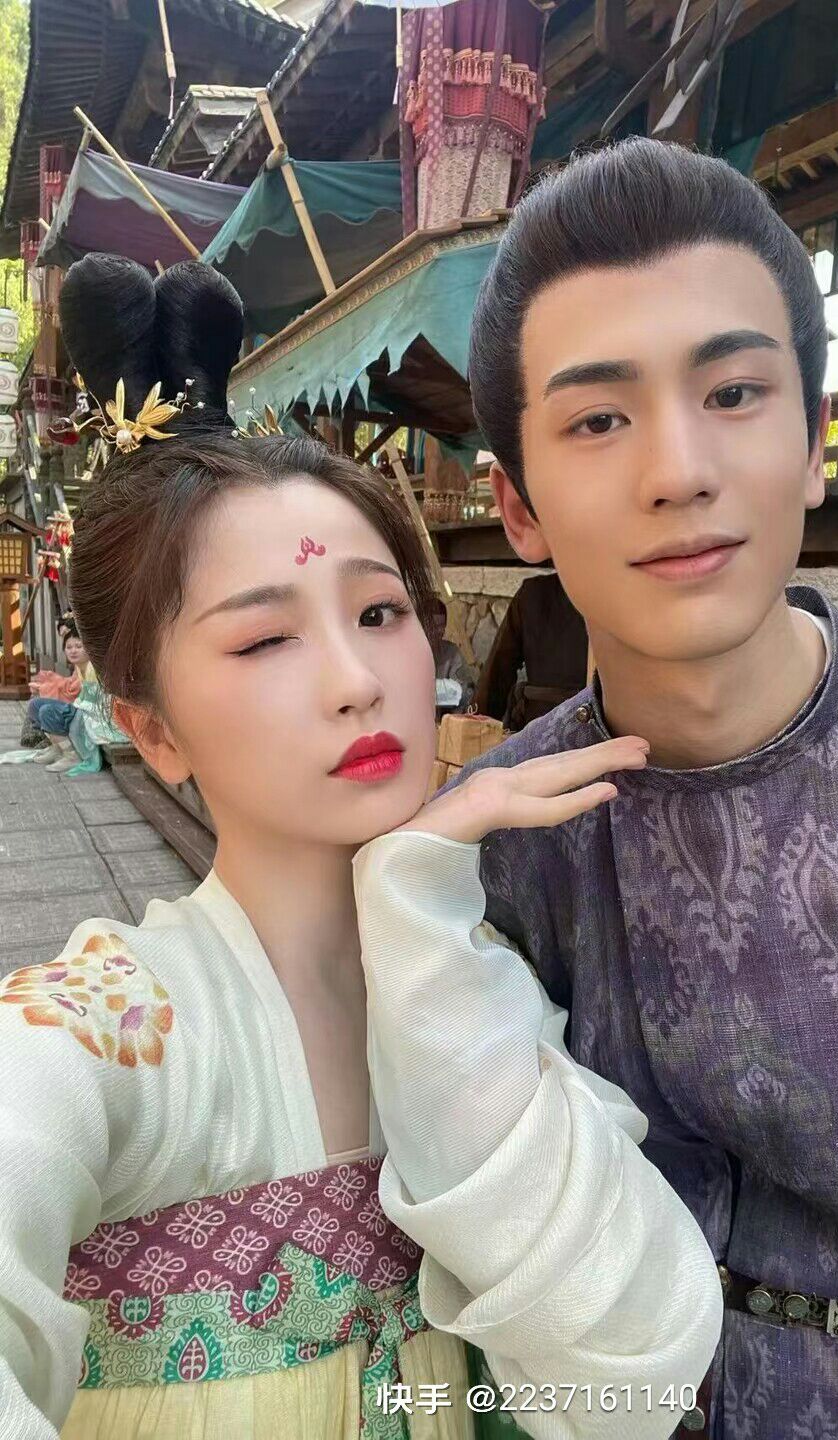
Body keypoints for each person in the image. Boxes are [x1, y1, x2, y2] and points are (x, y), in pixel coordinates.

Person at [0, 254, 722, 1439]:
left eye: (379, 613)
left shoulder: (485, 986)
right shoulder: (103, 1032)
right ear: (152, 730)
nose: (356, 681)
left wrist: (421, 916)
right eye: (263, 640)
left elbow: (633, 1379)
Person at [455, 138, 838, 1438]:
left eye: (734, 392)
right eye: (598, 419)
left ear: (815, 443)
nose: (678, 469)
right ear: (518, 507)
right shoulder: (502, 839)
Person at [474, 572, 589, 729]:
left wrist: (476, 721)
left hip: (545, 723)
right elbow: (498, 670)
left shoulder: (533, 592)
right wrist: (477, 721)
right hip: (542, 723)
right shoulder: (534, 593)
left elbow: (499, 669)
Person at [27, 628, 91, 771]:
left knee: (47, 710)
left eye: (78, 646)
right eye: (69, 647)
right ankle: (57, 747)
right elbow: (69, 687)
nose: (73, 651)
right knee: (34, 705)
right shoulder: (78, 668)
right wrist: (43, 687)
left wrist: (47, 687)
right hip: (77, 706)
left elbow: (84, 696)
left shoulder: (92, 668)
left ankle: (71, 755)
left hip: (88, 711)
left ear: (89, 647)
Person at [431, 599, 474, 712]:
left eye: (441, 626)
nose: (437, 631)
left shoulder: (452, 652)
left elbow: (464, 692)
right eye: (433, 626)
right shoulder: (406, 652)